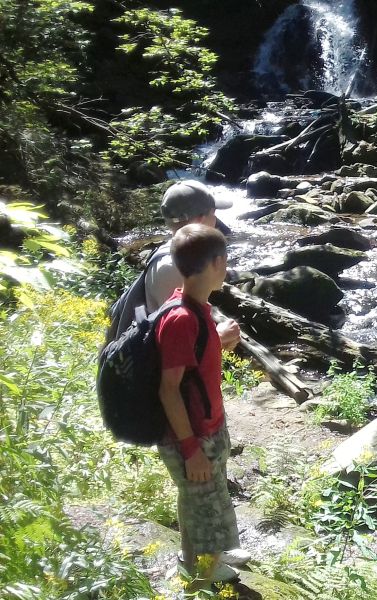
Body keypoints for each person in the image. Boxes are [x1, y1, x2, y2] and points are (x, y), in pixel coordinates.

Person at [150, 181, 246, 569]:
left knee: (203, 491)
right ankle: (203, 568)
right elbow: (169, 387)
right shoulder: (181, 317)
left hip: (205, 423)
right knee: (200, 492)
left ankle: (207, 555)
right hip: (189, 430)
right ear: (215, 265)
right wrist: (189, 446)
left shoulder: (195, 304)